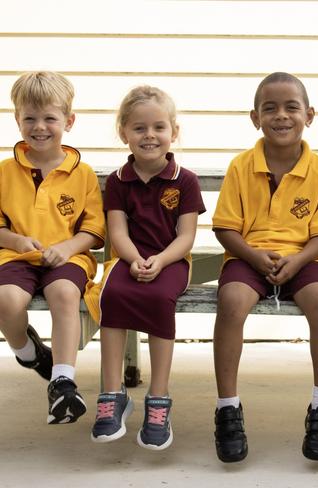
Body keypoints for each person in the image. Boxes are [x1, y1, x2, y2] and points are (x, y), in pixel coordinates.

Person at [212, 72, 318, 463]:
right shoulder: (240, 166)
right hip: (247, 257)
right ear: (255, 117)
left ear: (310, 115)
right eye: (270, 109)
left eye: (291, 107)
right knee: (232, 301)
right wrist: (253, 256)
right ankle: (227, 408)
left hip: (303, 258)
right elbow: (225, 227)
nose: (281, 116)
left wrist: (299, 259)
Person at [86, 86, 205, 450]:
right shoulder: (118, 181)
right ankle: (111, 395)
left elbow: (186, 236)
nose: (149, 136)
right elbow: (117, 231)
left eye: (158, 127)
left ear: (174, 132)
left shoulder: (185, 180)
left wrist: (161, 260)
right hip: (128, 256)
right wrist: (134, 258)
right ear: (124, 133)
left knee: (156, 299)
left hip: (171, 259)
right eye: (139, 128)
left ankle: (159, 399)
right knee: (114, 295)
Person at [0, 71, 104, 424]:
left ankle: (62, 381)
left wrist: (69, 245)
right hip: (15, 255)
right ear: (17, 120)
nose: (39, 126)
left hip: (69, 256)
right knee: (7, 300)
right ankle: (27, 351)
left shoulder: (82, 173)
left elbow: (93, 228)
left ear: (69, 121)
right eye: (29, 118)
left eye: (50, 118)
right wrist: (15, 239)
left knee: (63, 293)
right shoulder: (4, 171)